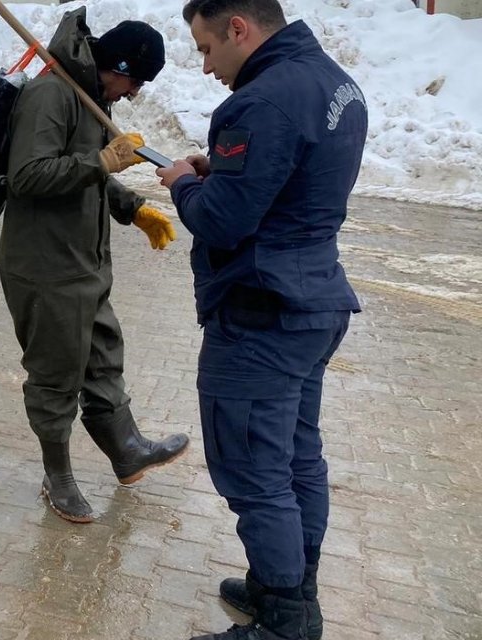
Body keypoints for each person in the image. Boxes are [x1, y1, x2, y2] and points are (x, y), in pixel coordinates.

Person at [158, 1, 366, 638]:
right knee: (298, 456)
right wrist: (218, 170)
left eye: (206, 48)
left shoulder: (259, 102)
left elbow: (223, 220)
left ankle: (283, 619)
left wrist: (182, 184)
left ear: (239, 29)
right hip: (314, 300)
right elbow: (287, 178)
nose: (206, 66)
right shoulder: (333, 82)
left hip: (261, 315)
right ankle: (287, 586)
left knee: (254, 469)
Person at [0, 8, 189, 523]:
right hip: (45, 268)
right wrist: (101, 160)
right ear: (118, 64)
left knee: (103, 359)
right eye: (134, 81)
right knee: (56, 375)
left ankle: (126, 451)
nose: (132, 94)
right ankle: (56, 475)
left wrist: (132, 207)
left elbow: (86, 174)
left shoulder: (88, 99)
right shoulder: (51, 95)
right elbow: (29, 175)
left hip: (84, 265)